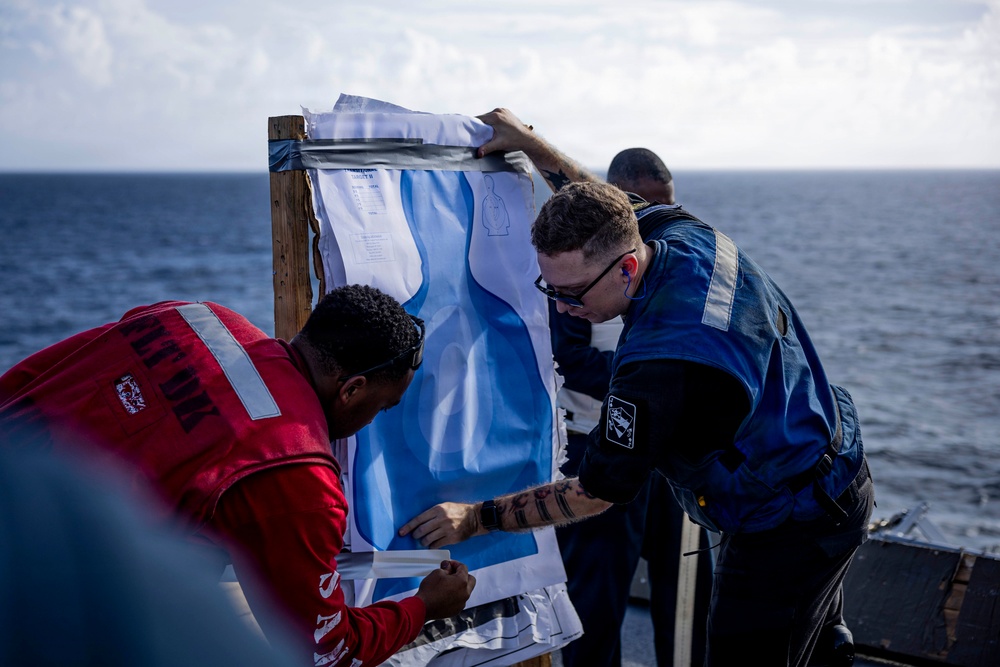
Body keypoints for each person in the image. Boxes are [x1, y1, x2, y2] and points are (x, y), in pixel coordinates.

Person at [400, 109, 873, 667]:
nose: (561, 307)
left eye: (573, 294)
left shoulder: (657, 365)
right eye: (549, 289)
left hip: (789, 524)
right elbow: (601, 202)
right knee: (820, 648)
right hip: (836, 466)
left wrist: (477, 518)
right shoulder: (680, 233)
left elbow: (593, 491)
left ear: (626, 269)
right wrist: (534, 146)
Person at [0, 284, 476, 667]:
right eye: (382, 406)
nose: (375, 422)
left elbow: (26, 384)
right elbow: (326, 652)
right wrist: (423, 608)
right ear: (352, 390)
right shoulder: (298, 474)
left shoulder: (192, 317)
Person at [552, 147, 711, 667]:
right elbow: (569, 357)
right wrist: (645, 389)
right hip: (597, 444)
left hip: (668, 457)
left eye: (666, 207)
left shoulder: (675, 269)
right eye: (645, 208)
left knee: (687, 590)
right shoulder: (582, 270)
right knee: (596, 602)